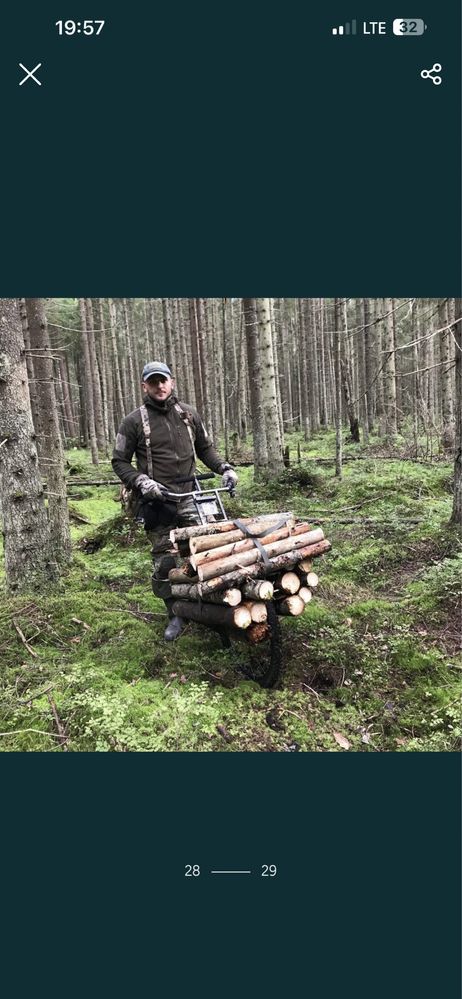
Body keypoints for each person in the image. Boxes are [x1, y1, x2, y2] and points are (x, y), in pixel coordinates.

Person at [112, 361, 238, 640]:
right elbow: (119, 462)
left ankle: (214, 608)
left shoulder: (189, 414)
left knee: (210, 551)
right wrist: (142, 482)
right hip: (158, 502)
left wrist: (225, 469)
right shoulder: (133, 421)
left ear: (172, 382)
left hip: (193, 496)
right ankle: (176, 615)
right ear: (144, 386)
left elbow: (205, 448)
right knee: (166, 562)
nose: (159, 386)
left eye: (163, 380)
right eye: (153, 382)